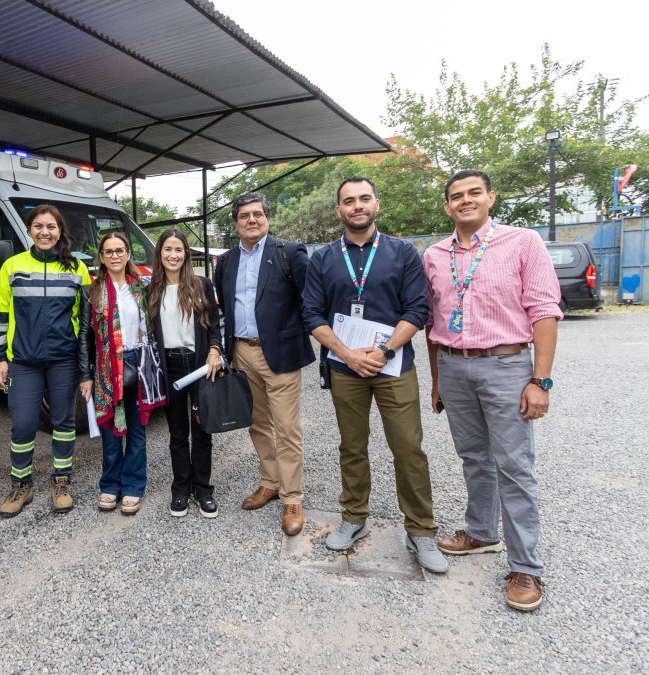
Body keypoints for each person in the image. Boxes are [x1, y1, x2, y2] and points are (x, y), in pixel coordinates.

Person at [424, 170, 562, 611]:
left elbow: (544, 312)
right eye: (456, 196)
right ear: (447, 206)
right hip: (453, 365)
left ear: (490, 197)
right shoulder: (434, 254)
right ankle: (482, 532)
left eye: (474, 193)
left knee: (515, 466)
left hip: (506, 365)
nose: (465, 200)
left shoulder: (522, 243)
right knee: (473, 457)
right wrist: (438, 380)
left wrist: (540, 381)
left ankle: (526, 567)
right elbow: (432, 323)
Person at [302, 177, 447, 573]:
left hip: (393, 366)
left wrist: (382, 352)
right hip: (345, 367)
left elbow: (417, 310)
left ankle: (421, 530)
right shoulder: (324, 258)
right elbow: (312, 313)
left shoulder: (402, 252)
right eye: (348, 201)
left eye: (364, 199)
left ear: (376, 204)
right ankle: (354, 517)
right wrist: (348, 354)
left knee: (408, 448)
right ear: (339, 211)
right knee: (352, 446)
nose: (357, 206)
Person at [214, 192, 315, 536]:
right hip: (242, 353)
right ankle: (270, 482)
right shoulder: (225, 262)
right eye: (245, 215)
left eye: (258, 214)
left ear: (267, 218)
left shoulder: (289, 253)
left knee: (286, 427)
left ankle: (292, 497)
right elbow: (225, 307)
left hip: (281, 355)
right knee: (257, 424)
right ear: (236, 222)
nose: (252, 220)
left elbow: (309, 302)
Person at [0, 205, 91, 518]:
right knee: (23, 424)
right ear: (30, 230)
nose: (45, 232)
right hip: (23, 361)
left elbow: (85, 321)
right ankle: (22, 484)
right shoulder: (12, 266)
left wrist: (85, 366)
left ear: (60, 232)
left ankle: (61, 482)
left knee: (63, 422)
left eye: (51, 227)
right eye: (38, 226)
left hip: (63, 360)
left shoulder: (76, 268)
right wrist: (0, 357)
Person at [78, 232, 165, 515]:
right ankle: (110, 485)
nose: (115, 255)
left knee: (137, 431)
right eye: (109, 251)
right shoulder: (91, 292)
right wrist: (85, 374)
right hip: (106, 368)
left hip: (139, 366)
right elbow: (85, 336)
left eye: (120, 250)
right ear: (101, 257)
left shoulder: (143, 288)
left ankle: (132, 486)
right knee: (111, 433)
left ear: (128, 254)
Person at [146, 229, 223, 518]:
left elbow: (215, 326)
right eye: (168, 249)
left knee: (202, 430)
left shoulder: (202, 285)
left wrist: (215, 350)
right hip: (170, 368)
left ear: (186, 254)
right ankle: (180, 488)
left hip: (201, 366)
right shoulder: (151, 288)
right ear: (160, 254)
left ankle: (203, 489)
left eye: (179, 249)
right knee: (177, 433)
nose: (173, 255)